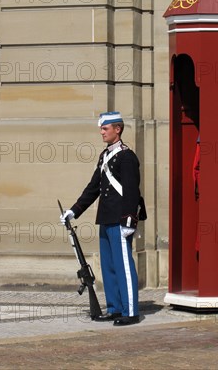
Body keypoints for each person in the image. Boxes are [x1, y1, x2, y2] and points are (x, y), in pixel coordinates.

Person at [60, 111, 141, 326]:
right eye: (101, 128)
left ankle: (131, 311)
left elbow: (131, 191)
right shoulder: (105, 156)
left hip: (121, 220)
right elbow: (93, 187)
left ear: (118, 129)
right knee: (109, 267)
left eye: (105, 128)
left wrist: (129, 221)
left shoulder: (127, 156)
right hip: (106, 218)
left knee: (123, 266)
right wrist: (74, 210)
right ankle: (115, 308)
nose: (101, 132)